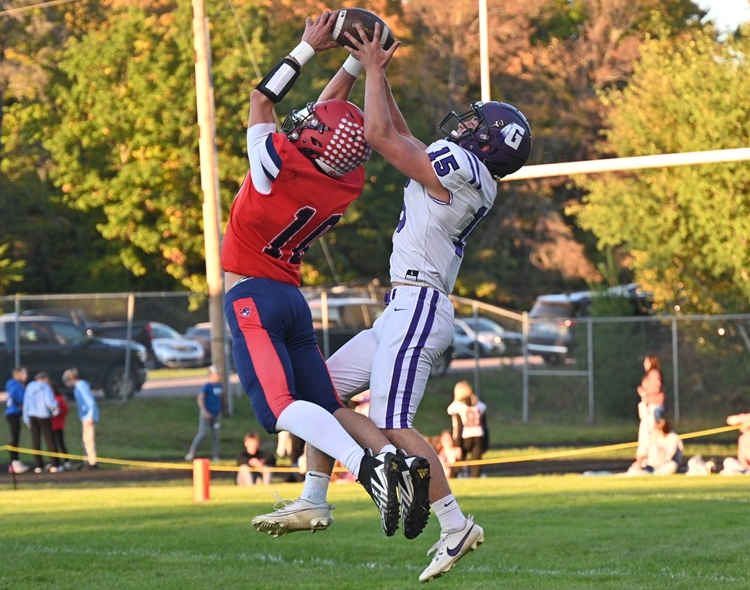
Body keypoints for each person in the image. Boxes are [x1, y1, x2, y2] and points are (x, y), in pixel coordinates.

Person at [255, 21, 533, 582]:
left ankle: (455, 524)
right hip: (400, 308)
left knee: (391, 421)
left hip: (420, 305)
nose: (465, 123)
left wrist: (373, 71)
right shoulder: (460, 166)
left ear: (486, 143)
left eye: (477, 123)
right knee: (320, 388)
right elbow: (400, 134)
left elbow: (382, 140)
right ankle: (314, 498)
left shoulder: (469, 171)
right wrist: (376, 67)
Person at [221, 10, 428, 539]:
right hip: (291, 300)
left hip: (253, 298)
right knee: (327, 406)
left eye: (310, 127)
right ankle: (385, 465)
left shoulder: (275, 163)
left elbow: (263, 100)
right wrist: (358, 66)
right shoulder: (346, 180)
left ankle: (367, 467)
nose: (305, 121)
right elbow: (328, 122)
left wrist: (308, 46)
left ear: (311, 142)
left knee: (279, 409)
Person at [447, 381, 489, 478]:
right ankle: (475, 480)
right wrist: (485, 444)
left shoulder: (457, 406)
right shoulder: (479, 405)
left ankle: (452, 478)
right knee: (476, 463)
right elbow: (485, 425)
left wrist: (457, 444)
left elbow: (458, 426)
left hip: (465, 436)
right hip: (479, 435)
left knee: (459, 460)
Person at [22, 371, 61, 473]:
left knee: (35, 441)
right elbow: (49, 402)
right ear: (44, 379)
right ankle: (54, 464)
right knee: (50, 440)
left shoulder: (29, 387)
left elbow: (26, 403)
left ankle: (38, 466)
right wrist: (56, 410)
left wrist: (26, 419)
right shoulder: (45, 387)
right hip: (44, 415)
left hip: (32, 416)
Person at [632, 355, 665, 470]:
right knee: (646, 431)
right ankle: (644, 459)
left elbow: (656, 388)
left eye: (646, 362)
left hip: (653, 406)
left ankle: (647, 459)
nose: (645, 364)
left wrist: (645, 393)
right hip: (647, 406)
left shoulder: (654, 373)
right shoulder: (649, 375)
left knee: (649, 432)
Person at [62, 368, 99, 470]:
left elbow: (90, 402)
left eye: (66, 381)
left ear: (71, 379)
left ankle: (92, 463)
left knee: (88, 440)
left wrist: (90, 416)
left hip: (88, 417)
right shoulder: (78, 387)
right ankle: (87, 461)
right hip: (85, 417)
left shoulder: (81, 386)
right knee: (85, 440)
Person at [184, 365, 223, 462]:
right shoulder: (207, 387)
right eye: (216, 374)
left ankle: (215, 456)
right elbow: (200, 399)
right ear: (210, 375)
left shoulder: (220, 386)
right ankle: (192, 452)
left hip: (216, 414)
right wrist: (205, 411)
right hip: (206, 414)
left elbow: (218, 399)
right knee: (202, 433)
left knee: (216, 435)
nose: (218, 376)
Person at [5, 366, 30, 474]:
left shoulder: (12, 385)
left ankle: (15, 462)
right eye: (24, 373)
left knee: (16, 437)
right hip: (12, 414)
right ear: (18, 374)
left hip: (13, 414)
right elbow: (22, 398)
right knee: (15, 438)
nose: (26, 375)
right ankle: (14, 462)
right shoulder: (15, 385)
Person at [51, 383, 73, 471]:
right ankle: (59, 462)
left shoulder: (59, 399)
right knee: (54, 444)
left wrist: (58, 412)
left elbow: (64, 411)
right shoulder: (54, 399)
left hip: (57, 425)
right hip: (52, 425)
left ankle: (66, 461)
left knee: (60, 443)